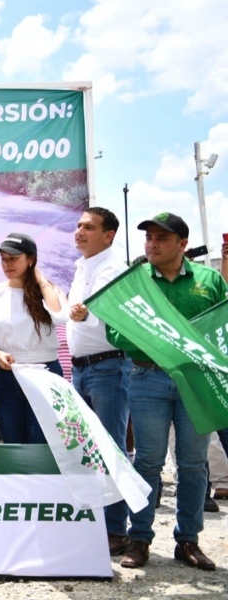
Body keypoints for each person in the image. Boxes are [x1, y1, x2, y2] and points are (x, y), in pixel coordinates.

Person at [109, 213, 227, 571]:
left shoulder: (210, 280)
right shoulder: (134, 282)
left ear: (182, 244)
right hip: (147, 378)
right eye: (149, 238)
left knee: (193, 463)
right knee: (147, 461)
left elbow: (222, 327)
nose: (152, 244)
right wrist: (158, 345)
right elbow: (115, 333)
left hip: (196, 380)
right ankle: (140, 539)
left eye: (162, 238)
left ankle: (188, 541)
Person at [65, 207, 133, 555]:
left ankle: (115, 530)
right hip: (81, 370)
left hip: (108, 369)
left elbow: (115, 317)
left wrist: (88, 313)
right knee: (90, 452)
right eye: (78, 225)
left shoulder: (114, 270)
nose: (79, 232)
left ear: (109, 235)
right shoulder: (81, 268)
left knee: (111, 451)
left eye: (89, 227)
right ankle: (98, 525)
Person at [0, 232, 68, 444]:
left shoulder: (48, 290)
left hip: (44, 372)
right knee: (13, 441)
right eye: (3, 259)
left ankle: (47, 479)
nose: (7, 264)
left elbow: (60, 315)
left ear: (31, 259)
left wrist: (40, 280)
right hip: (7, 374)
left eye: (14, 258)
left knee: (44, 441)